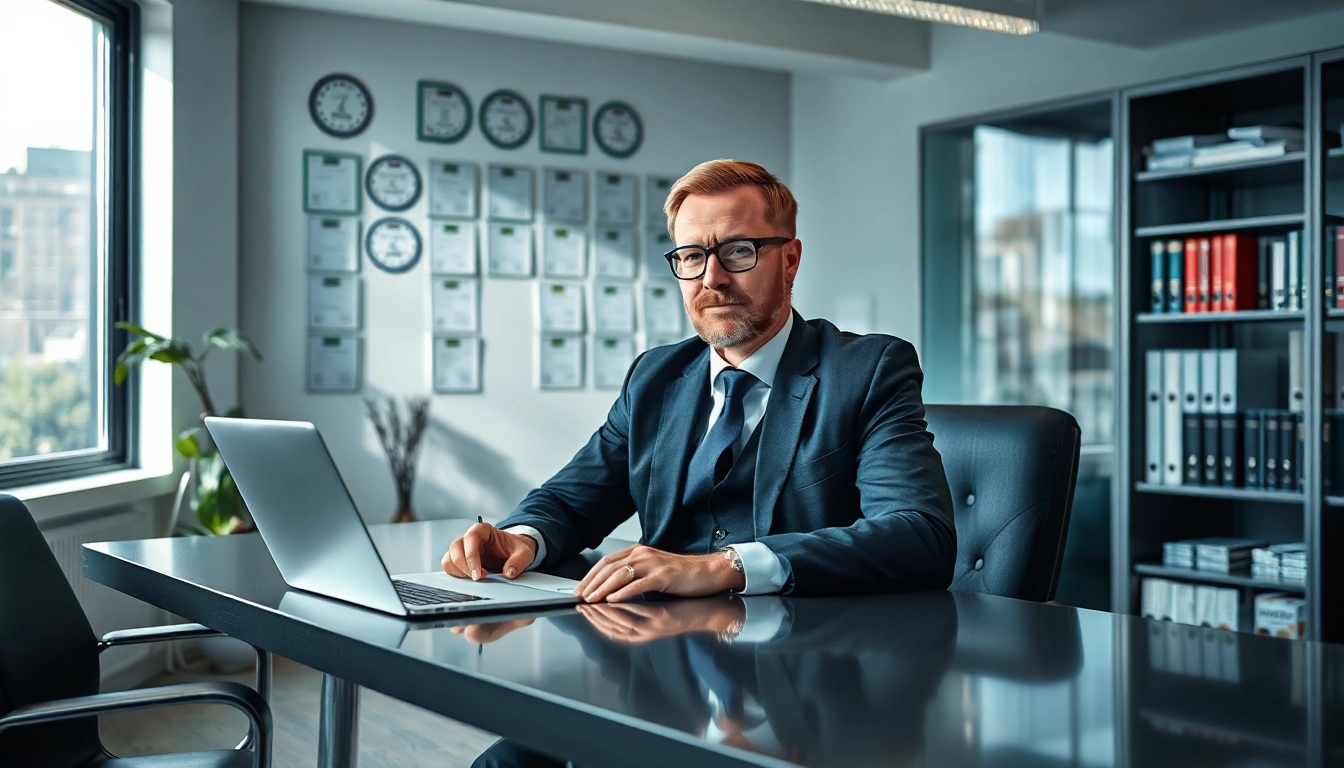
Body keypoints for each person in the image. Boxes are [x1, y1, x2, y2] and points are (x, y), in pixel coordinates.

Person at [441, 159, 956, 602]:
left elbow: (919, 536)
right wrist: (522, 537)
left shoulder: (867, 371)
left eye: (738, 250)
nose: (712, 278)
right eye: (692, 256)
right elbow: (574, 499)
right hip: (658, 655)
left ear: (790, 260)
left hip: (803, 661)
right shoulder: (655, 377)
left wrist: (723, 566)